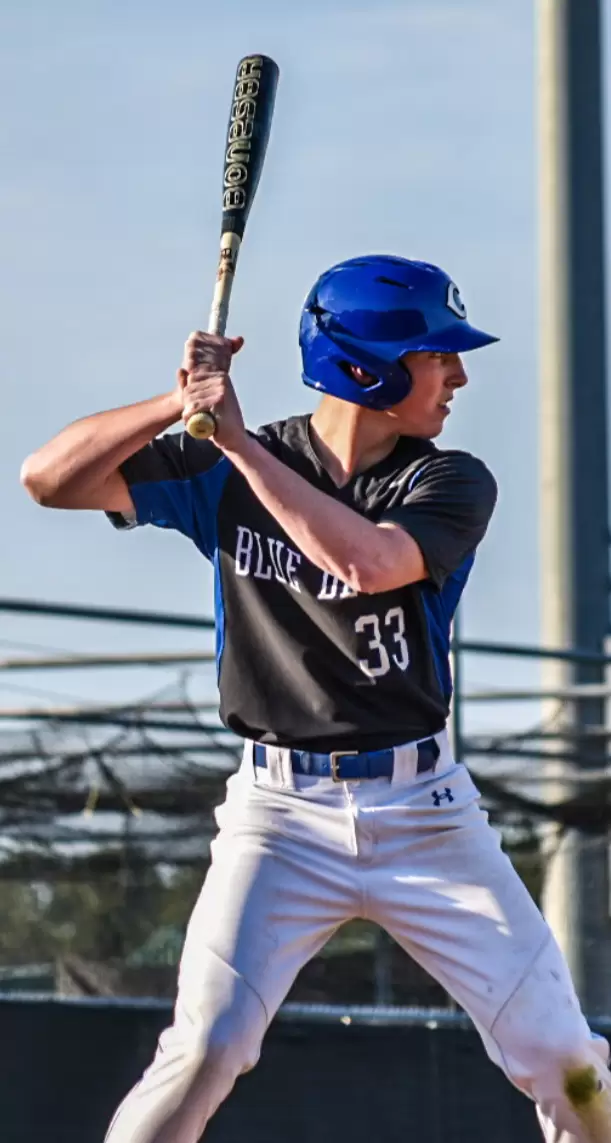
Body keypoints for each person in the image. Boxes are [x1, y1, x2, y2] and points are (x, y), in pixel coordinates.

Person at [21, 255, 611, 1143]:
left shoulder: (447, 480)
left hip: (426, 815)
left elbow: (367, 561)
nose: (456, 374)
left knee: (568, 1063)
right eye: (434, 355)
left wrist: (237, 444)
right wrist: (176, 402)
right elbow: (47, 478)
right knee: (205, 1047)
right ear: (366, 367)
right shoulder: (222, 464)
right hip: (277, 817)